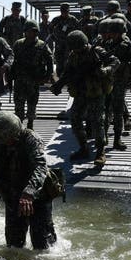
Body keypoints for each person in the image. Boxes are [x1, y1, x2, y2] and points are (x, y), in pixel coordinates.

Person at [0, 111, 57, 249]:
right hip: (12, 197)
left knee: (43, 246)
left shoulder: (31, 139)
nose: (6, 143)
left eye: (8, 139)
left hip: (37, 197)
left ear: (15, 132)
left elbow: (40, 167)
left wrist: (28, 193)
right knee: (13, 245)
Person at [50, 31, 119, 167]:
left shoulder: (97, 51)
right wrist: (58, 85)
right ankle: (83, 148)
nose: (75, 50)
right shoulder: (73, 55)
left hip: (95, 92)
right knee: (75, 119)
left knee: (97, 121)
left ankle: (100, 151)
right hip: (81, 93)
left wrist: (105, 70)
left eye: (77, 47)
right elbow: (67, 72)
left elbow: (115, 61)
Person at [10, 19, 54, 129]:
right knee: (18, 105)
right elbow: (12, 59)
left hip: (34, 80)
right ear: (25, 31)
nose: (31, 33)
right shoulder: (18, 44)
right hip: (20, 79)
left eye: (33, 31)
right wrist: (10, 75)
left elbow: (49, 61)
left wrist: (47, 76)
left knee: (32, 103)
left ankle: (30, 124)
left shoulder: (42, 45)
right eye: (28, 31)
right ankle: (18, 126)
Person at [103, 19, 131, 150]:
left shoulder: (128, 45)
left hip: (120, 82)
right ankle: (104, 136)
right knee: (106, 110)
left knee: (117, 111)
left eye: (113, 32)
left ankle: (117, 140)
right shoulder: (107, 44)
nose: (110, 34)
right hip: (107, 81)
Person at [49, 2, 79, 77]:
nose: (64, 13)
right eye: (62, 11)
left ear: (69, 11)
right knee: (59, 62)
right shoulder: (56, 19)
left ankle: (68, 80)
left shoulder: (73, 19)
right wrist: (54, 38)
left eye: (66, 11)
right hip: (59, 44)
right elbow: (50, 29)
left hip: (70, 45)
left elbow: (78, 30)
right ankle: (60, 79)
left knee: (69, 62)